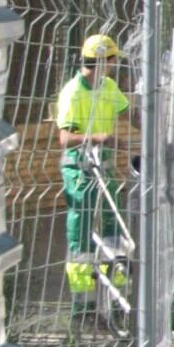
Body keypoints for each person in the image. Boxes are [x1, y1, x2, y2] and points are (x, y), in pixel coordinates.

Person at [57, 33, 131, 308]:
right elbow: (64, 138)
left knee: (115, 222)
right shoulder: (73, 92)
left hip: (105, 164)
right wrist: (100, 138)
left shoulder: (108, 86)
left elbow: (129, 113)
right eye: (112, 60)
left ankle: (118, 294)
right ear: (105, 61)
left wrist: (153, 129)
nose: (114, 65)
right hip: (79, 167)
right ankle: (83, 305)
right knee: (82, 229)